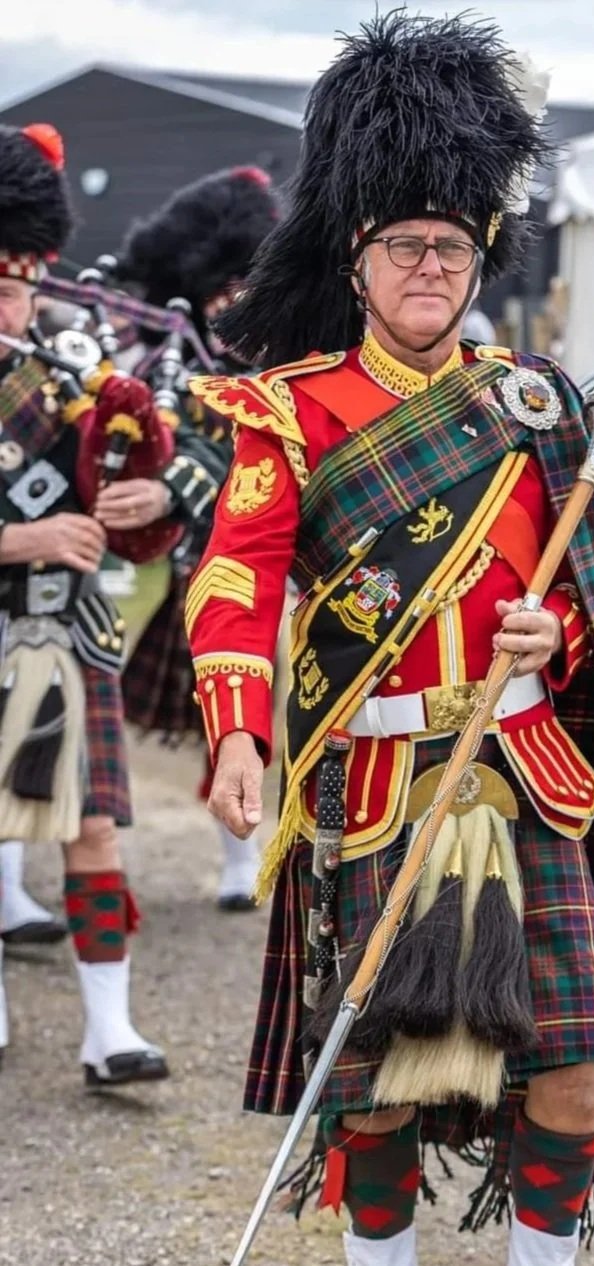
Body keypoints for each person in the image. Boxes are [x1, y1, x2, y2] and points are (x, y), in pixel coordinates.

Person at [187, 15, 594, 1266]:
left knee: (573, 1066)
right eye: (407, 245)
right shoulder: (290, 412)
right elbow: (233, 578)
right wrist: (240, 732)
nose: (432, 266)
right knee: (381, 1094)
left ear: (482, 258)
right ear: (356, 255)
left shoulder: (535, 405)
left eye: (454, 246)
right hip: (374, 784)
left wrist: (557, 627)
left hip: (526, 776)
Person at [0, 121, 176, 1084]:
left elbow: (144, 522)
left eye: (20, 283)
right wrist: (19, 539)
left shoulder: (76, 386)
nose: (9, 303)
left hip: (66, 633)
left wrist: (151, 501)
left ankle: (108, 1030)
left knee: (94, 827)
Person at [96, 167, 279, 910]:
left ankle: (240, 861)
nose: (231, 304)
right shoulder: (155, 367)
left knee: (242, 713)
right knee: (93, 703)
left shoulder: (280, 373)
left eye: (244, 287)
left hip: (251, 567)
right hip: (171, 563)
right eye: (219, 291)